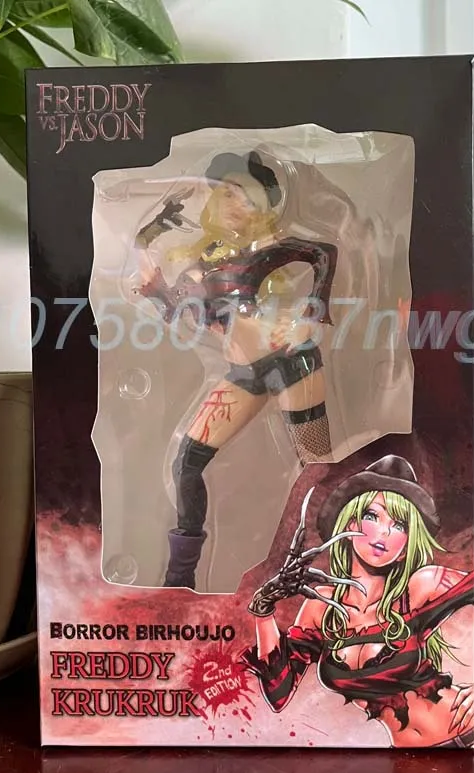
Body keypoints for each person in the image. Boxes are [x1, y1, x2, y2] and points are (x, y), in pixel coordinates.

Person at [134, 150, 339, 588]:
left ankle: (324, 566)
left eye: (245, 195)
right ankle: (179, 577)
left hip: (291, 362)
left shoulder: (263, 251)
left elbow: (323, 252)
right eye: (226, 191)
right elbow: (187, 315)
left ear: (264, 206)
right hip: (244, 376)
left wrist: (310, 316)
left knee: (315, 467)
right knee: (187, 463)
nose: (233, 201)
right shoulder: (206, 261)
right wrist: (155, 288)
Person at [242, 455, 474, 747]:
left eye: (400, 525)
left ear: (406, 546)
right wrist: (263, 611)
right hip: (411, 757)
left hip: (471, 736)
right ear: (349, 525)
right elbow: (278, 693)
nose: (384, 532)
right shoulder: (321, 608)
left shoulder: (420, 587)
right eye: (372, 516)